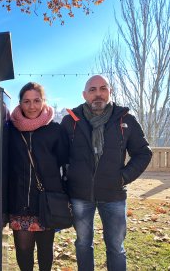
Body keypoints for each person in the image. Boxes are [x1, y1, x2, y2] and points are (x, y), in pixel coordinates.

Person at [61, 75, 152, 270]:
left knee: (116, 247)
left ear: (110, 91)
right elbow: (60, 156)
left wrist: (123, 177)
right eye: (92, 90)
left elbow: (143, 153)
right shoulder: (70, 121)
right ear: (84, 94)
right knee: (83, 244)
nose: (98, 94)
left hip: (114, 195)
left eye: (103, 88)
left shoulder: (125, 120)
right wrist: (68, 181)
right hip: (80, 195)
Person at [8, 82, 68, 271]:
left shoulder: (55, 130)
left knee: (45, 251)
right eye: (26, 101)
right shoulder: (10, 129)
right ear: (20, 103)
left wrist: (65, 192)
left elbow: (65, 163)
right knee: (23, 251)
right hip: (19, 202)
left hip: (46, 201)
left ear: (44, 102)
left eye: (36, 100)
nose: (32, 106)